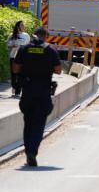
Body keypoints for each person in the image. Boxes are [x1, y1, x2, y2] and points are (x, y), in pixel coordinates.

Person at [12, 27, 61, 167]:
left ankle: (28, 151)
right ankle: (32, 152)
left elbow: (15, 68)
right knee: (39, 123)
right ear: (45, 36)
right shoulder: (50, 50)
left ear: (34, 35)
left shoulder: (24, 49)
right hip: (43, 90)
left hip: (27, 90)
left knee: (28, 122)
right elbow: (58, 70)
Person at [6, 21, 30, 97]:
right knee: (13, 75)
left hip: (23, 58)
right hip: (13, 57)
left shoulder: (26, 35)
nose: (23, 26)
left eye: (24, 25)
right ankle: (14, 86)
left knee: (20, 75)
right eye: (22, 25)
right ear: (17, 27)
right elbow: (8, 45)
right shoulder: (12, 35)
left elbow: (28, 46)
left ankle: (17, 91)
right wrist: (13, 45)